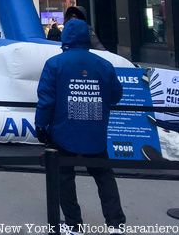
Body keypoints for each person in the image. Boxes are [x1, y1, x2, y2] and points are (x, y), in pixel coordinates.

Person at [35, 18, 126, 232]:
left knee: (64, 178)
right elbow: (116, 95)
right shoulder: (104, 64)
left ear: (66, 37)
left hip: (64, 131)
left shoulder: (55, 64)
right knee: (104, 176)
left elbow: (46, 99)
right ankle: (115, 223)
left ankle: (74, 224)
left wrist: (41, 125)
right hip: (95, 132)